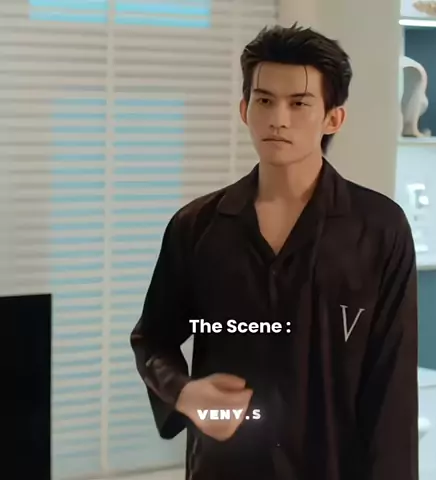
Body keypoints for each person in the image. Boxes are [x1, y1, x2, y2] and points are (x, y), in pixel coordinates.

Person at [131, 24, 419, 480]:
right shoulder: (196, 226)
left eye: (299, 103)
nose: (277, 118)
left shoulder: (380, 229)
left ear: (333, 119)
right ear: (244, 109)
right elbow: (153, 339)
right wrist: (184, 393)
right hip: (223, 469)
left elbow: (393, 386)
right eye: (264, 100)